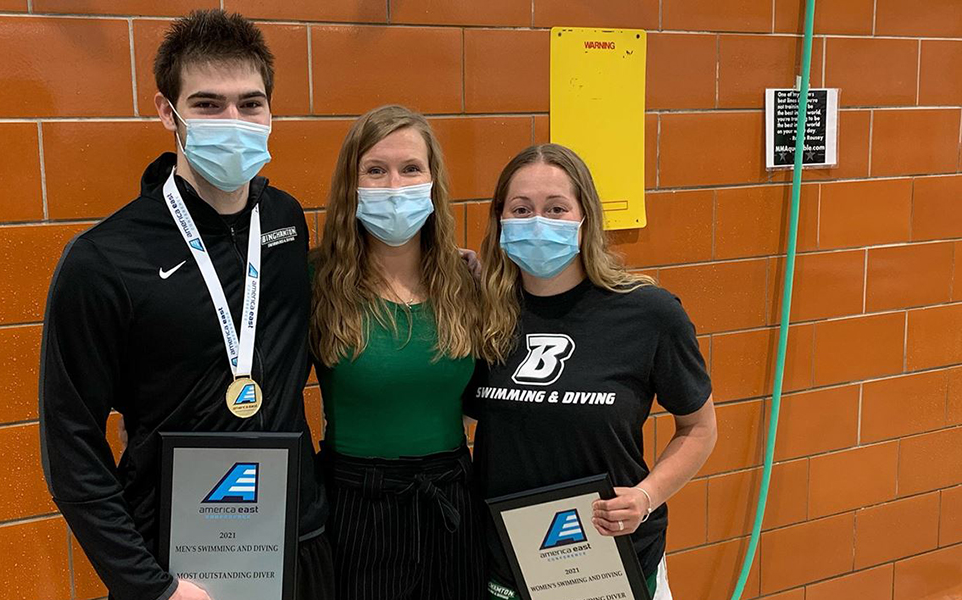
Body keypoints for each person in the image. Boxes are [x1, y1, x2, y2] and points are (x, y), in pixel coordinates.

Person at [38, 10, 333, 600]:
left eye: (250, 104)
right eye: (208, 104)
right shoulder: (104, 261)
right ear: (166, 112)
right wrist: (150, 586)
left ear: (271, 111)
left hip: (298, 542)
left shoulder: (285, 223)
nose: (234, 120)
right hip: (177, 567)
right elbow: (71, 446)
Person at [468, 144, 718, 600]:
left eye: (557, 208)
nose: (538, 221)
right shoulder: (482, 312)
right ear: (500, 220)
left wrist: (645, 497)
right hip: (509, 563)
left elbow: (699, 429)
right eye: (521, 209)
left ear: (586, 219)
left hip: (614, 559)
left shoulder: (648, 313)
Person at [309, 105, 486, 600]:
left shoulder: (465, 281)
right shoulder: (316, 281)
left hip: (451, 496)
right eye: (375, 170)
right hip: (355, 502)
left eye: (411, 168)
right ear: (352, 183)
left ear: (433, 180)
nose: (394, 185)